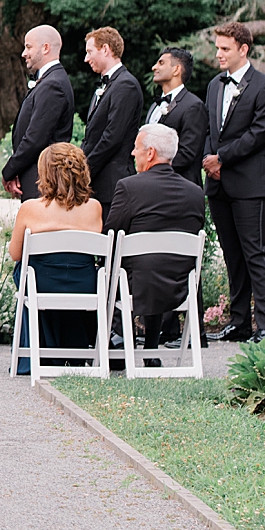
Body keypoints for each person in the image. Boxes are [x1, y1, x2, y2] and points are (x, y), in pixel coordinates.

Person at [202, 22, 265, 342]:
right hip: (219, 183)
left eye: (225, 49)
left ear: (243, 50)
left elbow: (259, 134)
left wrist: (223, 158)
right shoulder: (214, 85)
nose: (218, 54)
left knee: (255, 253)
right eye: (217, 47)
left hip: (251, 184)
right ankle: (239, 321)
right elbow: (210, 129)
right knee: (232, 255)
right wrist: (210, 160)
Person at [106, 125, 207, 358]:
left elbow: (111, 236)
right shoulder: (195, 193)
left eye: (136, 148)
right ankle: (150, 349)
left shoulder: (130, 187)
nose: (133, 153)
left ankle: (117, 339)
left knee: (131, 266)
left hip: (135, 285)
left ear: (150, 153)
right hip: (180, 285)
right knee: (155, 265)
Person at [8, 143, 104, 373]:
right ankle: (72, 349)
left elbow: (15, 253)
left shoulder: (30, 208)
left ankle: (38, 350)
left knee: (25, 269)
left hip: (42, 284)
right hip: (84, 286)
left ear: (45, 173)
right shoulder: (94, 207)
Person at [1, 25, 74, 200]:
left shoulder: (53, 84)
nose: (23, 53)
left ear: (46, 48)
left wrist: (9, 170)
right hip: (36, 175)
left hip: (43, 178)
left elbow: (36, 138)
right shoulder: (49, 80)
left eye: (28, 47)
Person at [80, 27, 144, 211]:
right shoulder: (108, 84)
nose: (86, 58)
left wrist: (85, 171)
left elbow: (112, 137)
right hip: (100, 181)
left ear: (106, 49)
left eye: (90, 52)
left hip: (112, 182)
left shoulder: (126, 85)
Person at [145, 48, 209, 187]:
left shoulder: (194, 106)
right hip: (152, 185)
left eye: (161, 63)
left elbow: (187, 154)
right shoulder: (154, 107)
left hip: (179, 187)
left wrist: (153, 171)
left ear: (176, 70)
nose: (154, 67)